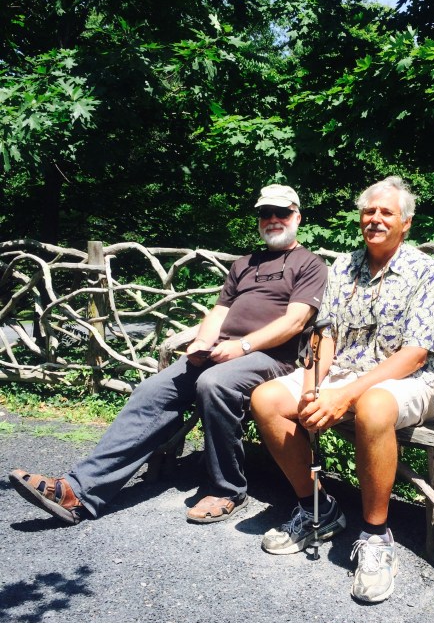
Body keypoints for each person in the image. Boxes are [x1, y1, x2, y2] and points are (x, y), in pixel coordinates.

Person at [9, 185, 327, 526]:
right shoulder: (244, 265)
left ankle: (227, 489)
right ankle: (77, 492)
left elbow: (296, 321)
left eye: (282, 213)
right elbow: (218, 312)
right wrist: (201, 344)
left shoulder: (310, 264)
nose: (273, 220)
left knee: (214, 384)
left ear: (297, 217)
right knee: (151, 390)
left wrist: (243, 346)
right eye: (266, 214)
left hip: (270, 359)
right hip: (221, 351)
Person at [251, 176, 434, 604]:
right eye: (369, 211)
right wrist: (312, 386)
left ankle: (376, 538)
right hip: (344, 372)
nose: (375, 219)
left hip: (409, 381)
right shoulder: (344, 265)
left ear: (406, 223)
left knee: (373, 406)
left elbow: (415, 355)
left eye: (386, 213)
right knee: (266, 399)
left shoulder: (424, 270)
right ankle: (317, 509)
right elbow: (327, 335)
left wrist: (346, 395)